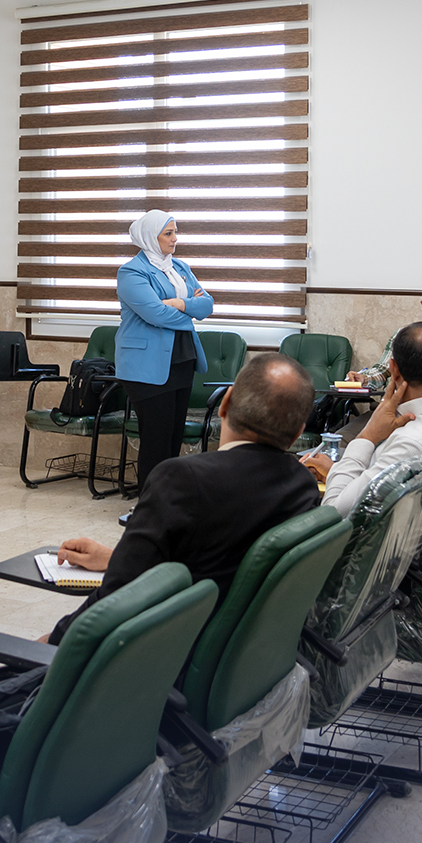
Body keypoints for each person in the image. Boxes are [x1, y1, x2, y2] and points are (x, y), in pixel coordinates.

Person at [50, 354, 321, 645]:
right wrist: (116, 558)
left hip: (164, 655)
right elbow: (224, 566)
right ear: (298, 433)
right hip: (237, 655)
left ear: (225, 402)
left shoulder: (181, 478)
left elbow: (113, 601)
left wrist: (54, 641)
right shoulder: (303, 485)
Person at [303, 320, 422, 526]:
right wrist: (335, 473)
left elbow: (334, 513)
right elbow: (374, 486)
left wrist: (367, 436)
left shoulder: (410, 445)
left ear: (394, 371)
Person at [115, 209, 213, 489]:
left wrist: (179, 303)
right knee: (156, 438)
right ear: (150, 237)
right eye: (168, 233)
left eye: (175, 232)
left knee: (173, 437)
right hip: (145, 365)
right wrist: (189, 308)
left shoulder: (179, 267)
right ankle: (149, 503)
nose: (175, 239)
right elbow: (156, 314)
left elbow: (207, 305)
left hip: (182, 358)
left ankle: (167, 500)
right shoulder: (131, 272)